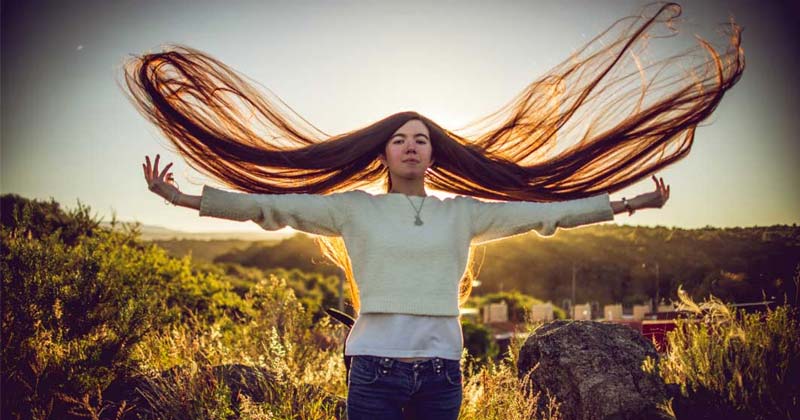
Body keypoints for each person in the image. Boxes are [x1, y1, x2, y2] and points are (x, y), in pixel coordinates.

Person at [130, 3, 741, 418]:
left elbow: (545, 215)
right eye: (399, 137)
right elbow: (272, 208)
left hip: (444, 368)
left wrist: (629, 202)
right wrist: (185, 198)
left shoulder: (464, 214)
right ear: (383, 152)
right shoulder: (354, 211)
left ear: (434, 152)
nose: (411, 144)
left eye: (421, 137)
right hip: (371, 367)